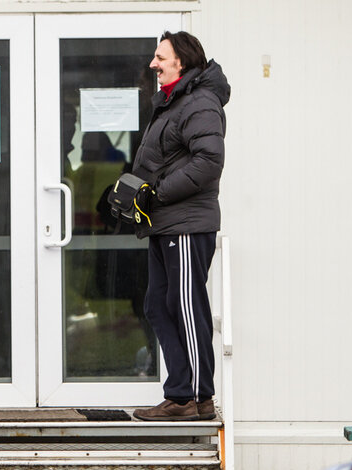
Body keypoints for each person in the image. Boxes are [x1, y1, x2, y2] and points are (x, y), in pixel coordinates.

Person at [130, 31, 231, 422]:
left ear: (182, 62)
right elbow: (166, 160)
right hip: (165, 223)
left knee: (185, 305)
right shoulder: (175, 103)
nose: (153, 64)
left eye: (160, 57)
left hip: (186, 224)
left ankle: (196, 397)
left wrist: (156, 194)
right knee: (159, 305)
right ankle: (181, 392)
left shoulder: (200, 103)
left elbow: (208, 162)